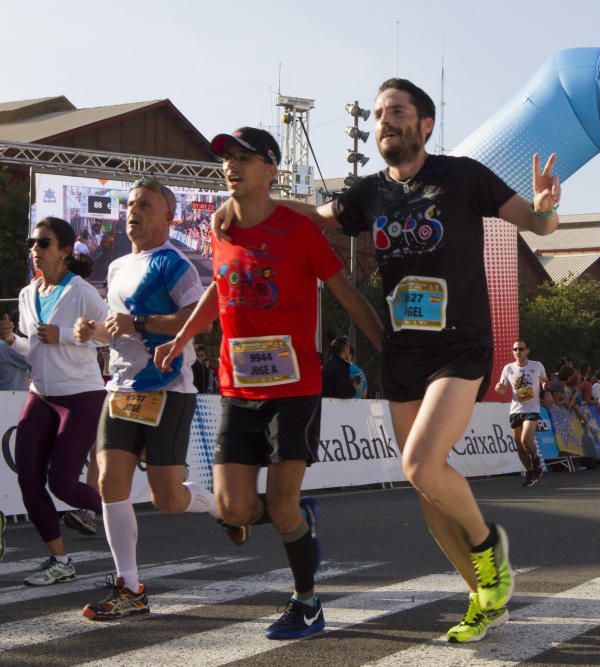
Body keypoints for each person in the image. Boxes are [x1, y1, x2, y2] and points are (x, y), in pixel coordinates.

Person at [213, 79, 560, 643]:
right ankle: (482, 599)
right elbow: (319, 213)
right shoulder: (369, 192)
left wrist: (548, 211)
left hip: (460, 345)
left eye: (396, 111)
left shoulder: (463, 175)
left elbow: (536, 223)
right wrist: (251, 202)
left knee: (421, 465)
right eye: (377, 114)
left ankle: (489, 549)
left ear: (425, 125)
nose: (384, 121)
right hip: (403, 352)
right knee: (427, 497)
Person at [157, 127, 383, 640]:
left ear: (271, 169)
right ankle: (297, 516)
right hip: (238, 390)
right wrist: (182, 338)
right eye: (227, 159)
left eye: (245, 158)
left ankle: (306, 602)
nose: (232, 166)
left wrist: (390, 348)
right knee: (233, 508)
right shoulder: (220, 228)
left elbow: (346, 294)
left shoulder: (298, 230)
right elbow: (219, 289)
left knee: (279, 506)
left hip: (294, 387)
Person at [73, 178, 220, 620]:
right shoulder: (117, 267)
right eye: (132, 202)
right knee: (108, 482)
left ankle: (224, 507)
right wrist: (93, 333)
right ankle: (130, 587)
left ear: (167, 217)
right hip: (120, 388)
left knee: (167, 499)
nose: (134, 210)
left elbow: (200, 323)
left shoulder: (176, 265)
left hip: (167, 390)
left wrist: (138, 323)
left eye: (146, 204)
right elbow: (118, 330)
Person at [0, 217, 108, 586]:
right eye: (33, 243)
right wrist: (14, 340)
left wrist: (64, 334)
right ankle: (60, 560)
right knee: (29, 479)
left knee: (62, 483)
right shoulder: (28, 294)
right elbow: (35, 351)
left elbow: (110, 334)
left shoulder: (81, 291)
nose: (35, 250)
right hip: (41, 396)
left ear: (65, 250)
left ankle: (116, 511)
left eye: (43, 243)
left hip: (81, 396)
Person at [495, 339, 547, 486]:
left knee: (525, 440)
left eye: (521, 349)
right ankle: (530, 472)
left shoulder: (536, 365)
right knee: (518, 444)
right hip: (516, 409)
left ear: (527, 351)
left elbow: (544, 380)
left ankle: (536, 460)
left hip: (532, 408)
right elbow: (503, 388)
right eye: (515, 349)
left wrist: (544, 386)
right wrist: (499, 388)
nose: (518, 352)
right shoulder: (508, 368)